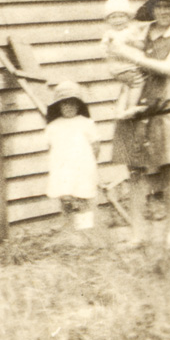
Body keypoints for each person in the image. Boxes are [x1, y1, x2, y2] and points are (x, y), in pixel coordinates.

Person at [106, 0, 170, 247]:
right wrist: (117, 52)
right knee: (135, 174)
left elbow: (167, 68)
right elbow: (117, 53)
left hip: (166, 111)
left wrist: (129, 55)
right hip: (137, 112)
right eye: (159, 6)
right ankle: (136, 235)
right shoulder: (142, 31)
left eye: (169, 7)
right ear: (152, 9)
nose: (164, 12)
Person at [45, 80, 100, 231]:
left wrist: (90, 164)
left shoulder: (86, 123)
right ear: (58, 106)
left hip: (83, 166)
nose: (69, 107)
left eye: (73, 103)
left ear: (79, 105)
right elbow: (51, 147)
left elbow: (96, 146)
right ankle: (69, 227)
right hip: (63, 168)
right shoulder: (53, 126)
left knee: (82, 196)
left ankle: (85, 229)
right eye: (65, 104)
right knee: (66, 197)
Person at [100, 0, 148, 118]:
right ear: (108, 20)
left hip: (119, 70)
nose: (117, 20)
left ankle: (121, 111)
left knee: (126, 87)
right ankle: (131, 107)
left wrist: (134, 43)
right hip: (127, 67)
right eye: (113, 17)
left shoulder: (130, 31)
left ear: (128, 17)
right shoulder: (110, 34)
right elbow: (105, 49)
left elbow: (141, 45)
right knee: (138, 83)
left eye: (121, 16)